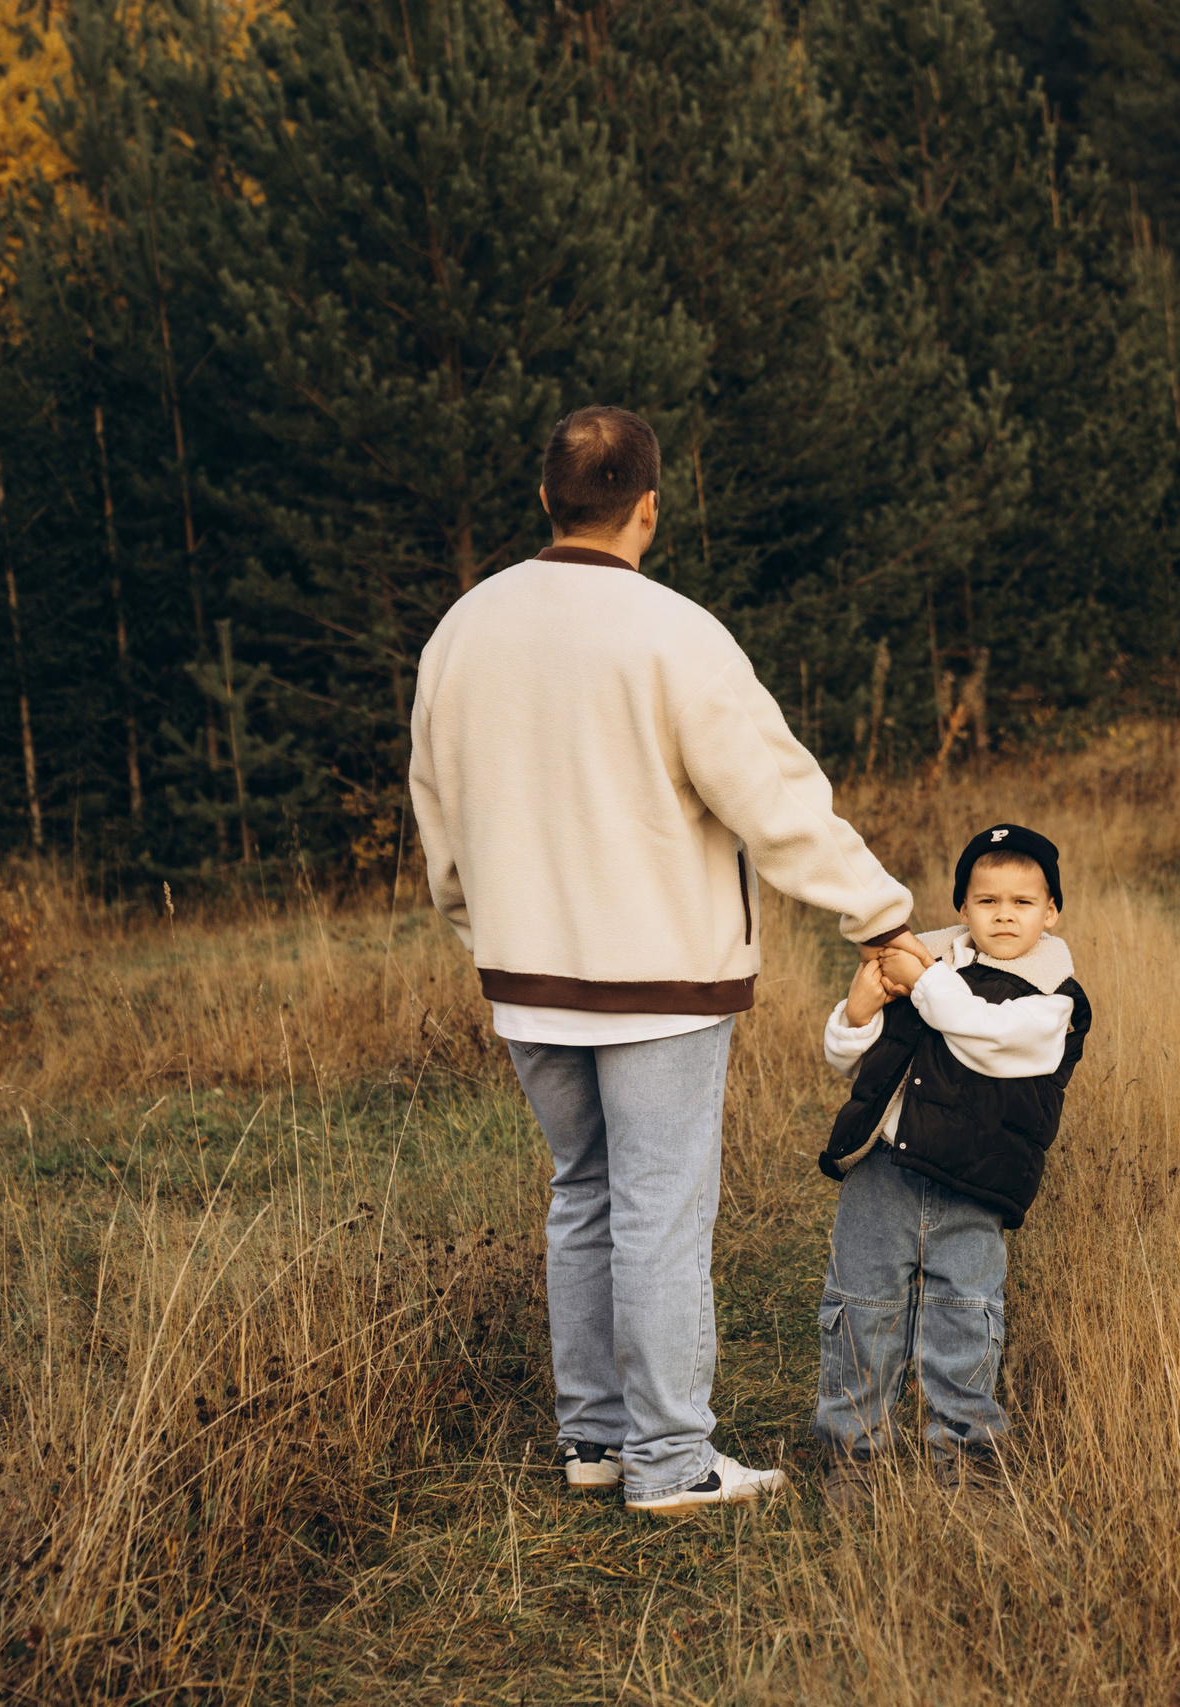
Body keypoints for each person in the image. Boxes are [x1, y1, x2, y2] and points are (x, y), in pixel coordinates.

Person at [409, 406, 926, 1516]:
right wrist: (879, 915)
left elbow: (436, 811)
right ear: (648, 507)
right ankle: (670, 1462)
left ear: (548, 500)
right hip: (658, 980)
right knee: (656, 1210)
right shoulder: (676, 633)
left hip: (526, 975)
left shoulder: (462, 631)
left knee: (582, 1197)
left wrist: (480, 933)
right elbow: (774, 802)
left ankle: (595, 1442)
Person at [815, 824, 1092, 1511]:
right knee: (861, 1311)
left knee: (965, 1318)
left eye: (1023, 901)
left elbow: (986, 1036)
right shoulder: (934, 965)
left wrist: (925, 980)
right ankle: (853, 1455)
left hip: (975, 1183)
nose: (1004, 913)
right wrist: (858, 1010)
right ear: (963, 907)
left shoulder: (1053, 998)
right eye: (987, 898)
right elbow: (855, 1057)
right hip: (883, 1170)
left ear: (1051, 911)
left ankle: (968, 1460)